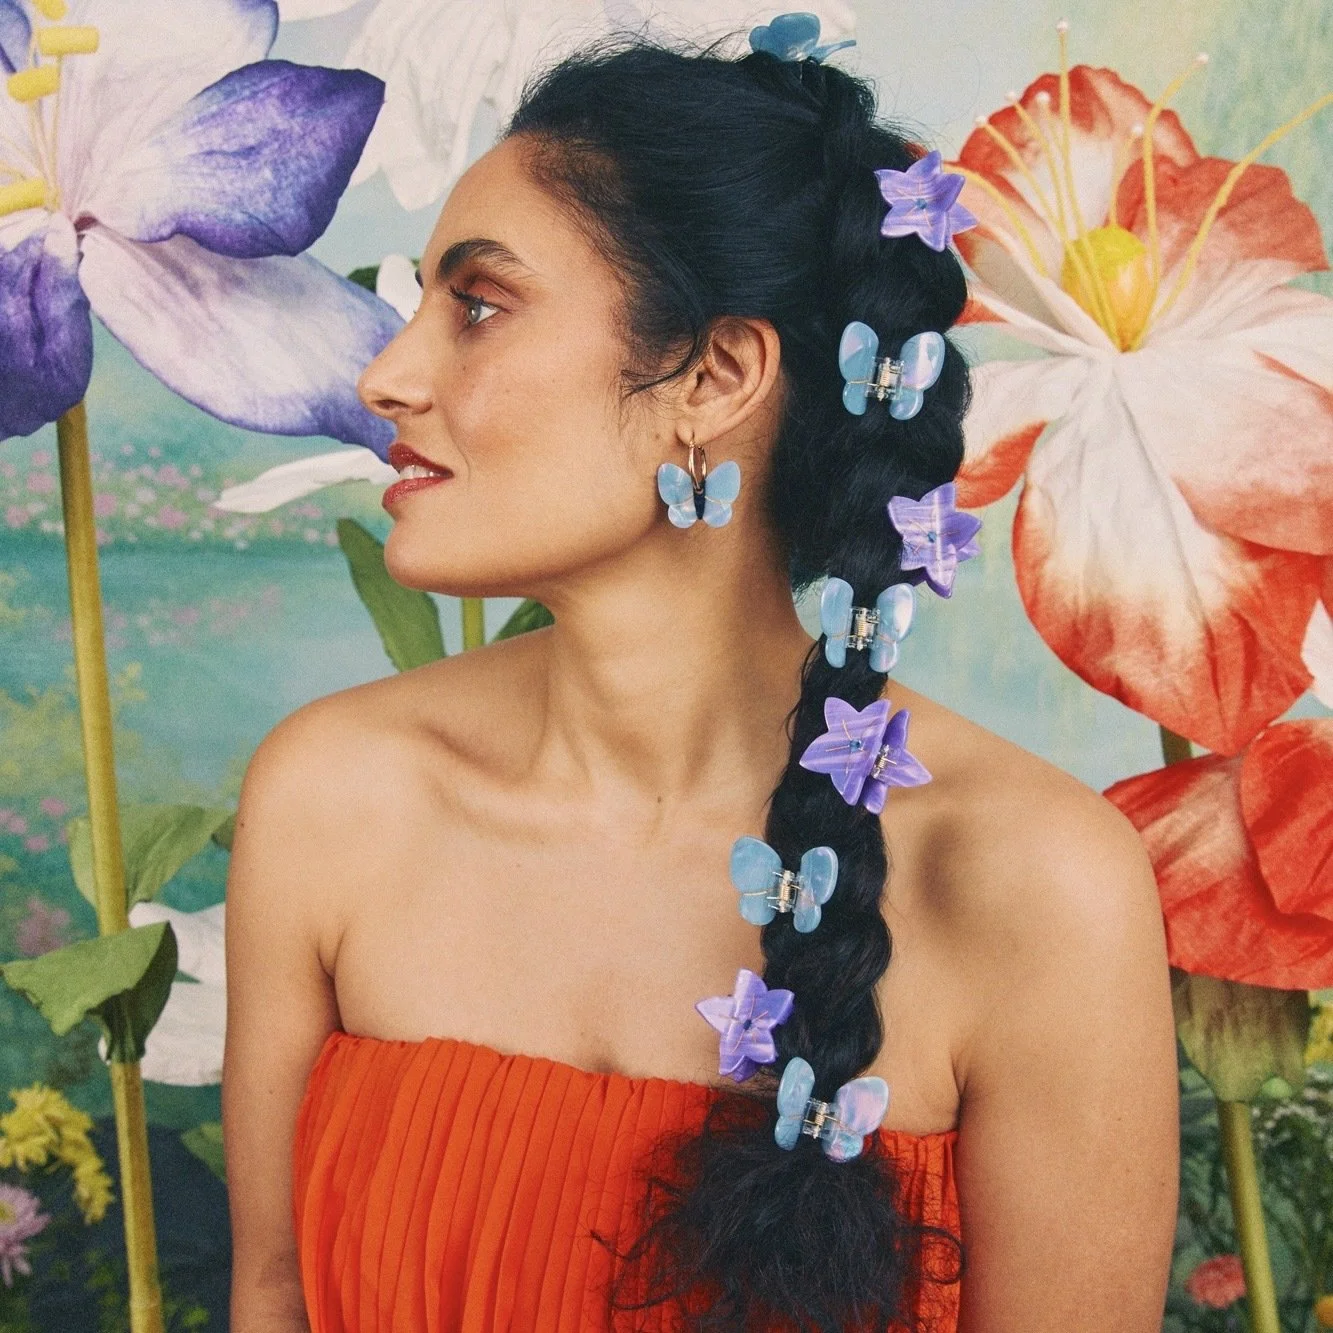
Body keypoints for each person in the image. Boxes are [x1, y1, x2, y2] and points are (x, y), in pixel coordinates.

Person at [223, 25, 1180, 1333]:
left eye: (479, 306)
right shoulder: (333, 801)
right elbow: (272, 1293)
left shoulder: (1035, 886)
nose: (384, 376)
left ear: (715, 377)